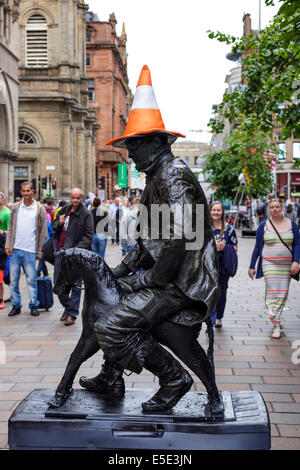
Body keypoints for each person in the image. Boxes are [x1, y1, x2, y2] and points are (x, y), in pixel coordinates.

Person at [81, 65, 220, 412]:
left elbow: (178, 237)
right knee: (108, 296)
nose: (130, 154)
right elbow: (147, 242)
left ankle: (174, 378)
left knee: (111, 326)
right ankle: (111, 375)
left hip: (181, 284)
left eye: (135, 146)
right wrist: (117, 270)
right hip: (166, 278)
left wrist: (149, 278)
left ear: (156, 144)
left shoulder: (173, 177)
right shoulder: (155, 177)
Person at [248, 199, 300, 338]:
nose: (275, 209)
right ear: (269, 209)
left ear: (282, 208)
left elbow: (297, 244)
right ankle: (276, 324)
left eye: (277, 207)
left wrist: (296, 261)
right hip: (269, 263)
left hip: (286, 265)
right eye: (272, 207)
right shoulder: (263, 226)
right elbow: (257, 247)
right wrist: (252, 266)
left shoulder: (292, 225)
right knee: (272, 292)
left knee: (283, 293)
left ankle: (276, 317)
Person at [5, 182, 48, 317]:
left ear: (32, 191)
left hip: (30, 250)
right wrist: (8, 245)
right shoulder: (16, 207)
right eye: (23, 191)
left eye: (28, 190)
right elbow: (11, 227)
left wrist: (39, 250)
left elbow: (43, 232)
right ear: (21, 192)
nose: (26, 193)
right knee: (14, 281)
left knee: (31, 280)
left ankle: (34, 305)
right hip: (16, 249)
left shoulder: (39, 208)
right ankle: (16, 305)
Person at [51, 187, 93, 326]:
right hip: (61, 252)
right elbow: (54, 225)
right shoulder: (64, 210)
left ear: (82, 198)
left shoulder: (86, 213)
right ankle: (69, 308)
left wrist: (76, 250)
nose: (75, 200)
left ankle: (72, 314)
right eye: (73, 197)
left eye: (78, 198)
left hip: (75, 254)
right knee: (58, 283)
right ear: (70, 197)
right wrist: (59, 223)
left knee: (75, 285)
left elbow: (88, 236)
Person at [209, 201, 238, 328]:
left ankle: (219, 317)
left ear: (222, 212)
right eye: (213, 210)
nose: (216, 212)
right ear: (209, 211)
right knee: (209, 293)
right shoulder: (204, 228)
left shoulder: (229, 229)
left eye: (218, 210)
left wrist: (225, 247)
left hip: (222, 266)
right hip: (207, 266)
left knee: (221, 292)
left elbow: (235, 246)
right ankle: (210, 318)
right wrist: (212, 246)